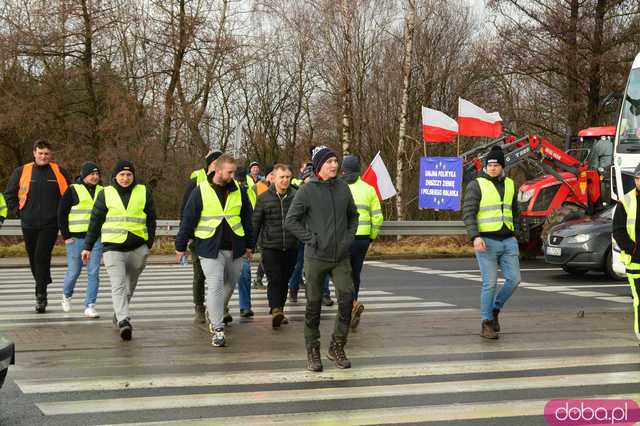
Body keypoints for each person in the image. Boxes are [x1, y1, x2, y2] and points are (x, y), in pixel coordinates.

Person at [285, 145, 358, 371]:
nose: (334, 165)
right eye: (329, 162)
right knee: (313, 306)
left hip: (340, 257)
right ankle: (313, 349)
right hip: (316, 257)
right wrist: (311, 238)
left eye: (335, 161)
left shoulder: (343, 188)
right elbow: (291, 221)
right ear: (319, 166)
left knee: (347, 300)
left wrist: (348, 238)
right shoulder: (307, 191)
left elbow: (353, 216)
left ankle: (337, 346)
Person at [175, 154, 254, 347]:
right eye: (230, 172)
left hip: (235, 246)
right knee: (216, 285)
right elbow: (188, 219)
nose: (233, 175)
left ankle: (214, 308)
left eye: (234, 172)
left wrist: (251, 245)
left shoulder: (239, 191)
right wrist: (180, 245)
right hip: (209, 247)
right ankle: (218, 328)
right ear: (217, 171)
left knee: (231, 282)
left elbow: (247, 219)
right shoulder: (200, 190)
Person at [81, 160, 157, 341]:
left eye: (129, 175)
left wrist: (149, 243)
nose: (125, 178)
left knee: (129, 287)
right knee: (118, 285)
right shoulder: (105, 193)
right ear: (115, 176)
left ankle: (119, 312)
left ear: (133, 176)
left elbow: (151, 218)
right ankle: (124, 320)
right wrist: (88, 246)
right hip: (112, 248)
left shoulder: (144, 191)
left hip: (138, 247)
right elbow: (95, 221)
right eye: (121, 175)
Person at [4, 139, 71, 313]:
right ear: (34, 153)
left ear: (51, 154)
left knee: (41, 257)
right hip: (28, 222)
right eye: (40, 153)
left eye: (46, 154)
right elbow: (9, 193)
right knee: (34, 258)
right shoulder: (21, 171)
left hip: (51, 223)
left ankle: (40, 295)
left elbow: (70, 195)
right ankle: (44, 279)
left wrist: (62, 215)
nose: (43, 156)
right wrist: (17, 211)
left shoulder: (59, 172)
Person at [462, 145, 520, 339]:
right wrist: (475, 236)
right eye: (490, 164)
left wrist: (516, 234)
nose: (493, 167)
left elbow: (515, 212)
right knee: (490, 283)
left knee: (514, 280)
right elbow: (468, 213)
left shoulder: (511, 184)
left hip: (508, 240)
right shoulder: (476, 184)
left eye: (496, 164)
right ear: (485, 166)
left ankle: (495, 309)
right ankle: (486, 323)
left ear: (502, 166)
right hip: (486, 241)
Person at [340, 155, 384, 330]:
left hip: (343, 238)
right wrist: (372, 236)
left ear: (343, 170)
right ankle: (353, 303)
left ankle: (350, 306)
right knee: (355, 274)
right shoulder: (369, 189)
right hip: (362, 239)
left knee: (341, 274)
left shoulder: (339, 188)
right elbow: (378, 218)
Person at [253, 164, 299, 328]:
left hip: (292, 246)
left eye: (288, 177)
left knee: (285, 280)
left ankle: (280, 310)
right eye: (282, 177)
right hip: (270, 246)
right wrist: (250, 247)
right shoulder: (264, 198)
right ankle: (275, 310)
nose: (285, 180)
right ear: (274, 178)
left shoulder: (296, 196)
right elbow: (255, 224)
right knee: (275, 279)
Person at [181, 150, 222, 323]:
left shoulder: (228, 182)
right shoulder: (196, 181)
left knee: (220, 276)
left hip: (220, 238)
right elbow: (185, 210)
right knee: (199, 275)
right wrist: (186, 236)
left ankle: (221, 308)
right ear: (209, 165)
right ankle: (199, 307)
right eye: (216, 163)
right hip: (199, 238)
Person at [57, 162, 103, 318]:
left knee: (94, 272)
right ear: (84, 175)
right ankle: (66, 295)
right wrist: (66, 236)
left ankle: (90, 306)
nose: (95, 177)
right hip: (75, 239)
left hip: (96, 239)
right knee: (74, 271)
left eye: (97, 174)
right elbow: (61, 214)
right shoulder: (72, 190)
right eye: (92, 174)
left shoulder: (103, 191)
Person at [613, 163, 640, 345]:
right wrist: (632, 250)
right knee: (639, 301)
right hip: (636, 262)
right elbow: (619, 231)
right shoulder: (626, 201)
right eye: (638, 178)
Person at [234, 167, 255, 318]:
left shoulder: (245, 192)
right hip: (220, 242)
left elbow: (249, 221)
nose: (240, 183)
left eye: (242, 181)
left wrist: (250, 246)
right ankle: (222, 308)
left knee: (245, 273)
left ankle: (245, 306)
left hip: (240, 241)